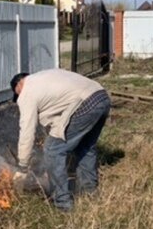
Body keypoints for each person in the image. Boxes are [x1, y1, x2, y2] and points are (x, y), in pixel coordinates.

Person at [11, 69, 111, 211]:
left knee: (52, 150)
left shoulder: (26, 91)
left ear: (18, 85)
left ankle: (63, 205)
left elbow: (27, 131)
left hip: (86, 103)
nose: (18, 98)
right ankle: (90, 194)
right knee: (85, 146)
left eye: (17, 94)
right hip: (102, 97)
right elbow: (62, 117)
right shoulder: (44, 78)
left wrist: (22, 166)